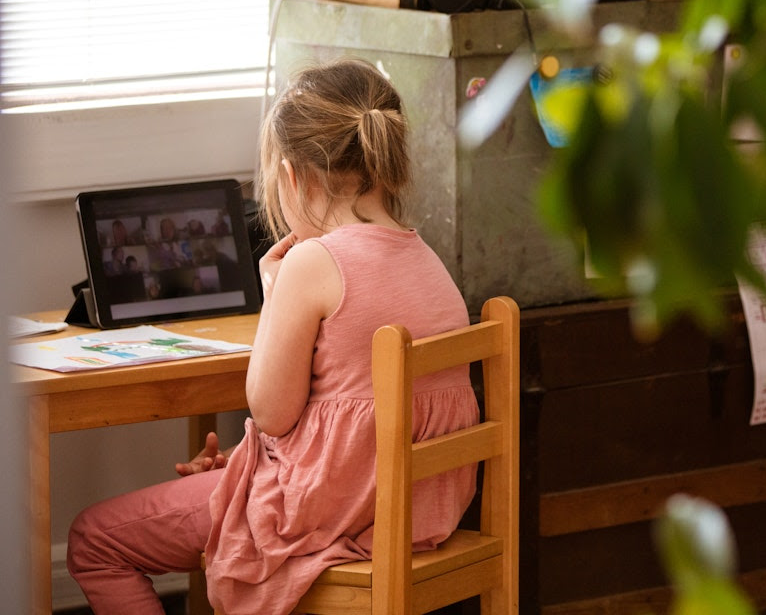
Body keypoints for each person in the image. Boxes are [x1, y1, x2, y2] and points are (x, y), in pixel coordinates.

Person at [67, 60, 479, 615]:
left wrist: (273, 295)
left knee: (96, 540)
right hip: (417, 510)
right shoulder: (426, 258)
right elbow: (347, 415)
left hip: (332, 513)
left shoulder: (313, 262)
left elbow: (272, 414)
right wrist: (244, 461)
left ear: (290, 174)